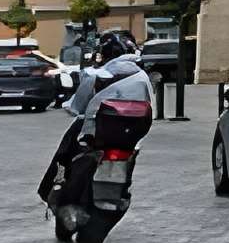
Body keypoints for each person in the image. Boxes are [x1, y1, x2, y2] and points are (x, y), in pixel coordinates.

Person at [40, 37, 152, 204]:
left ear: (103, 56)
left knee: (66, 148)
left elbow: (78, 106)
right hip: (131, 136)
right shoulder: (142, 76)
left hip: (97, 133)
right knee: (130, 158)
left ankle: (53, 185)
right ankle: (122, 189)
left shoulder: (100, 73)